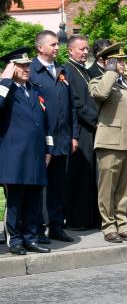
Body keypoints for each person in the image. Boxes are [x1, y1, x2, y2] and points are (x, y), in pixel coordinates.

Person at [88, 44, 127, 243]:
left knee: (124, 189)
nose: (122, 63)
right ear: (106, 62)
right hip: (109, 142)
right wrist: (109, 71)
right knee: (107, 188)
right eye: (117, 60)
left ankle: (122, 224)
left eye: (122, 60)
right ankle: (108, 226)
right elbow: (101, 94)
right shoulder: (98, 81)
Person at [0, 48, 51, 254]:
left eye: (27, 65)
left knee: (33, 200)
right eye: (21, 65)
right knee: (15, 202)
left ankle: (30, 238)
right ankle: (15, 240)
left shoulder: (35, 89)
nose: (26, 69)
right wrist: (4, 80)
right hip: (14, 156)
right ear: (11, 67)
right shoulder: (5, 89)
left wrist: (48, 148)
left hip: (36, 155)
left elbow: (44, 122)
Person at [29, 30, 77, 243]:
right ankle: (37, 228)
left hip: (62, 138)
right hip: (41, 140)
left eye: (58, 44)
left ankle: (56, 226)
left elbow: (72, 105)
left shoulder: (62, 70)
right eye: (53, 44)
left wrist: (74, 134)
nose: (58, 48)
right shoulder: (31, 71)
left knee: (59, 186)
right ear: (40, 47)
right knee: (39, 187)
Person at [64, 34, 100, 229]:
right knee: (79, 176)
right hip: (81, 129)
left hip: (93, 129)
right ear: (70, 50)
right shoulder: (67, 71)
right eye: (81, 49)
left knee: (92, 175)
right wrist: (96, 120)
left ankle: (91, 217)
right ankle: (77, 219)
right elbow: (76, 102)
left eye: (87, 49)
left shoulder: (86, 72)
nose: (85, 52)